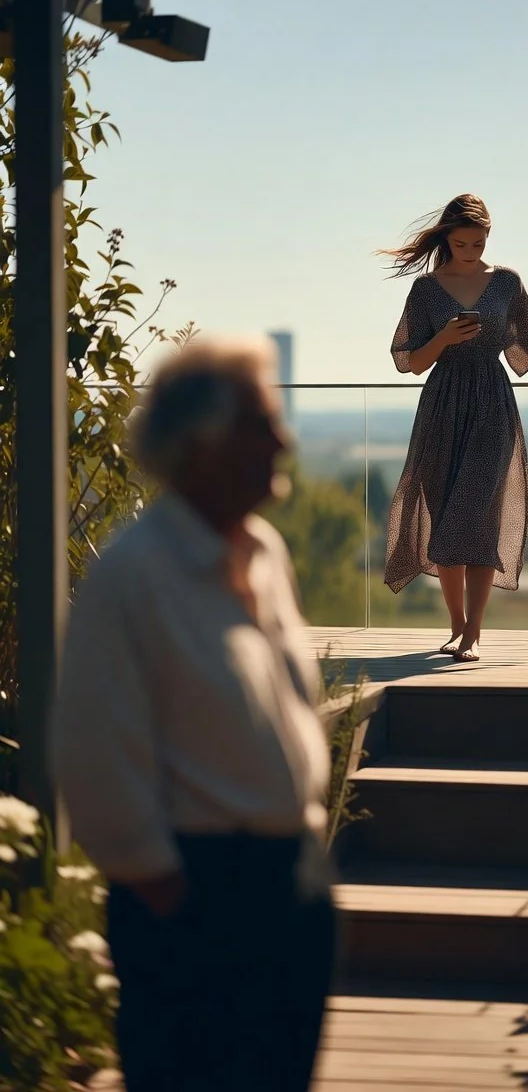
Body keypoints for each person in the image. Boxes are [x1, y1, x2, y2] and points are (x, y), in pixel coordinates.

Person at [49, 338, 335, 1092]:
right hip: (199, 901)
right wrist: (168, 893)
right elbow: (92, 753)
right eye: (262, 423)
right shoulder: (134, 577)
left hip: (288, 888)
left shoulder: (263, 552)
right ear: (203, 442)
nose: (284, 440)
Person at [382, 194, 528, 662]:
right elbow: (409, 362)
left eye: (479, 241)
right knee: (445, 518)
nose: (471, 250)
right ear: (446, 238)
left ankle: (473, 632)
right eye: (463, 242)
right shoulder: (426, 291)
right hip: (441, 406)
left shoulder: (506, 284)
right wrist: (444, 337)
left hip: (492, 406)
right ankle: (456, 627)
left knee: (478, 518)